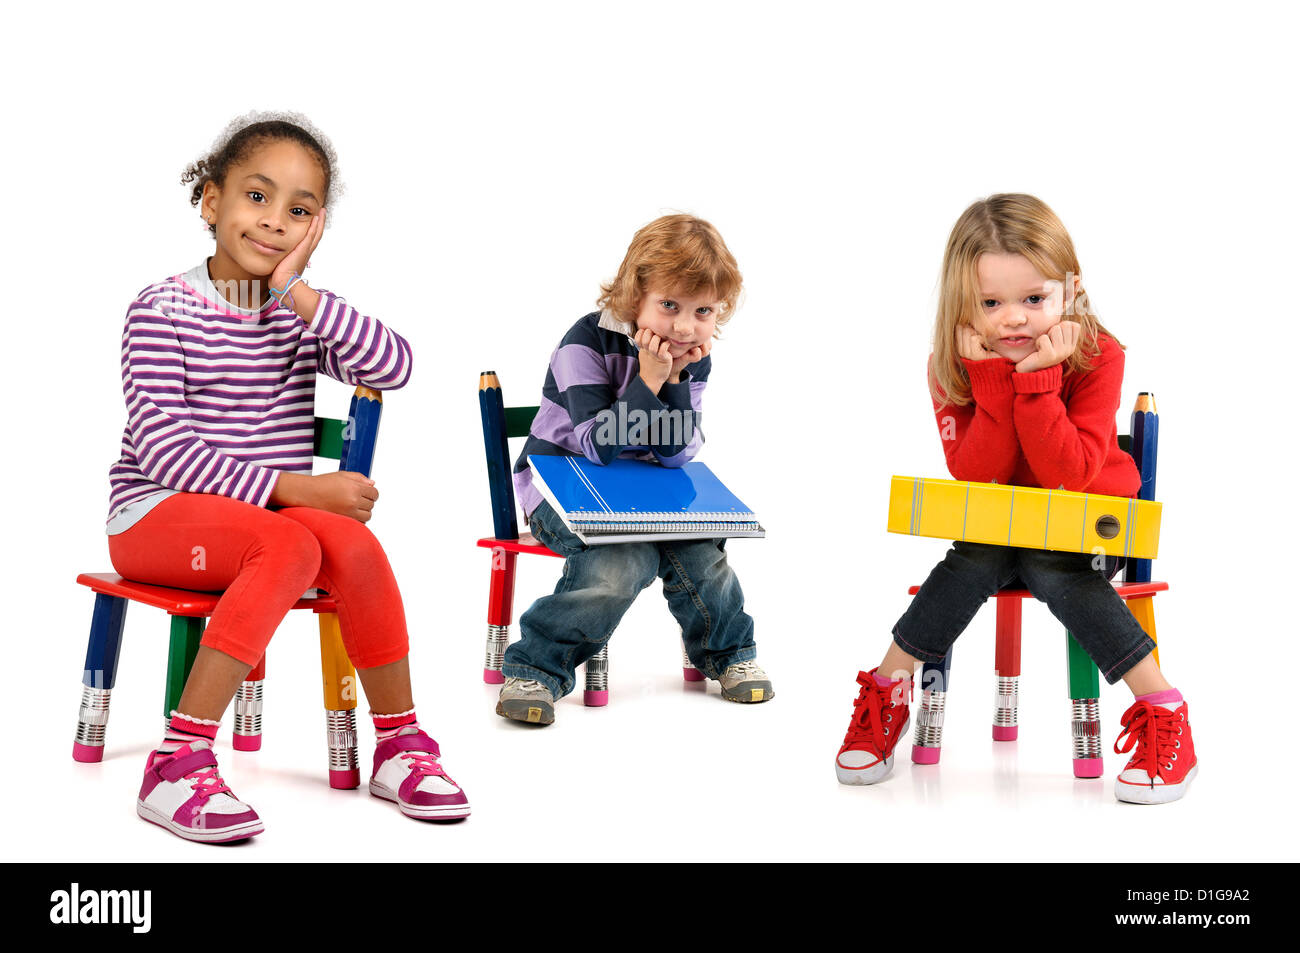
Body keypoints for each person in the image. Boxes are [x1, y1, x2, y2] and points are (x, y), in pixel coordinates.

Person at [106, 112, 468, 842]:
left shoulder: (300, 315)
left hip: (257, 527)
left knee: (353, 547)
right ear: (212, 201)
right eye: (257, 197)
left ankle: (399, 744)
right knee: (294, 544)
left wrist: (299, 293)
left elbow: (394, 367)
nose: (274, 221)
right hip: (154, 518)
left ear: (317, 227)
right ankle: (176, 762)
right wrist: (300, 489)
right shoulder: (161, 310)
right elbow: (170, 453)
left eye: (298, 210)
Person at [834, 194, 1196, 804]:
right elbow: (978, 474)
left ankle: (1164, 710)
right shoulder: (954, 365)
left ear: (1071, 290)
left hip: (1085, 529)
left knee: (1041, 559)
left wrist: (1038, 383)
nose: (1015, 320)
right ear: (962, 304)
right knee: (982, 552)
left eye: (1034, 299)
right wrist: (994, 383)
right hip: (999, 529)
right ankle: (890, 692)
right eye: (991, 303)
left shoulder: (1099, 353)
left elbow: (1069, 474)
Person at [497, 214, 772, 725]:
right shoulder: (586, 339)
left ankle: (729, 654)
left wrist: (676, 380)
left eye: (703, 311)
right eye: (669, 306)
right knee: (623, 561)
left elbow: (675, 454)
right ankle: (535, 666)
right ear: (633, 296)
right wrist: (647, 378)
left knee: (703, 552)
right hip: (563, 483)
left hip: (645, 491)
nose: (685, 327)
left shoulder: (691, 356)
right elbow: (597, 448)